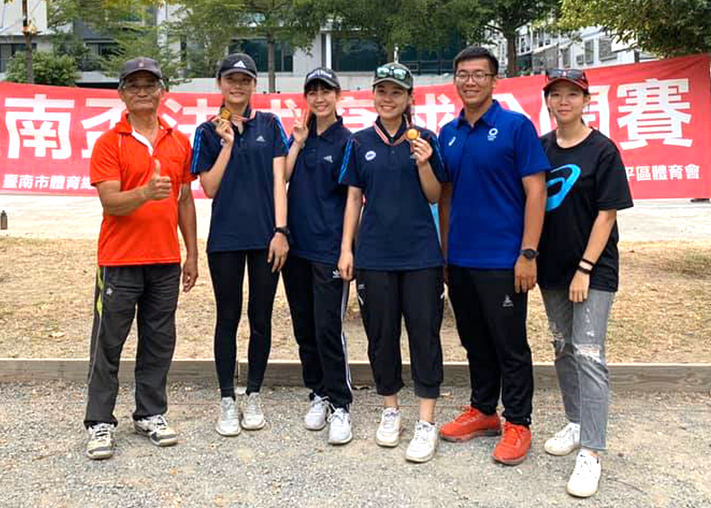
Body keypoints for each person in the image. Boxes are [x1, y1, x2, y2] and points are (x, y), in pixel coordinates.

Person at [438, 46, 549, 465]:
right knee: (474, 340)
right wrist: (445, 252)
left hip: (503, 259)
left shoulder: (515, 126)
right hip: (461, 258)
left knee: (510, 344)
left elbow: (535, 191)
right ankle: (484, 410)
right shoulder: (448, 133)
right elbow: (445, 196)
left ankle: (518, 421)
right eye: (463, 74)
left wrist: (528, 252)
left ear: (494, 80)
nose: (470, 82)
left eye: (479, 74)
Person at [84, 57, 198, 460]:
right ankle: (99, 421)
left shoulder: (178, 141)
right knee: (108, 343)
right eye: (134, 85)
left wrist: (191, 253)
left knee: (159, 340)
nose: (143, 91)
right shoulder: (109, 142)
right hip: (119, 260)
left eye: (150, 84)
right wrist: (145, 194)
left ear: (162, 92)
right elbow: (110, 202)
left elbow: (185, 199)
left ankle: (150, 413)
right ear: (122, 94)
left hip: (165, 260)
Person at [338, 62, 446, 463]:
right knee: (381, 336)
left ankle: (426, 421)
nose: (388, 99)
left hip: (420, 255)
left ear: (409, 98)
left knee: (424, 335)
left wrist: (424, 163)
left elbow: (435, 195)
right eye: (382, 91)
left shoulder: (426, 140)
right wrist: (346, 249)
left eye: (396, 92)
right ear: (373, 95)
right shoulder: (359, 142)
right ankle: (390, 410)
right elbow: (354, 198)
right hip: (374, 256)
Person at [538, 68, 633, 497]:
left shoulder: (602, 150)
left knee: (589, 353)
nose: (564, 102)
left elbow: (606, 214)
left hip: (592, 270)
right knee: (563, 347)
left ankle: (591, 452)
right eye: (556, 95)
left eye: (572, 95)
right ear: (548, 101)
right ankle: (576, 422)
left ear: (586, 101)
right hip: (552, 268)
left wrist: (584, 268)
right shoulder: (542, 148)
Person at [191, 53, 289, 437]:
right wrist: (228, 146)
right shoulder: (207, 131)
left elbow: (280, 181)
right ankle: (227, 398)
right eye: (231, 79)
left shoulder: (270, 124)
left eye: (245, 80)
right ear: (220, 83)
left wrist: (281, 231)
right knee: (227, 317)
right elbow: (209, 187)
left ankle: (254, 394)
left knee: (260, 317)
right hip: (226, 239)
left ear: (253, 85)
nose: (237, 86)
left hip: (265, 238)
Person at [282, 68, 354, 445]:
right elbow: (282, 177)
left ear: (338, 96)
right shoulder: (301, 136)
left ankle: (341, 403)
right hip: (296, 248)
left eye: (326, 91)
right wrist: (296, 143)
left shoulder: (347, 141)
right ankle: (319, 393)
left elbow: (353, 200)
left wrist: (346, 249)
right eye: (313, 92)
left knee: (328, 328)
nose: (319, 98)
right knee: (304, 327)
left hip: (329, 250)